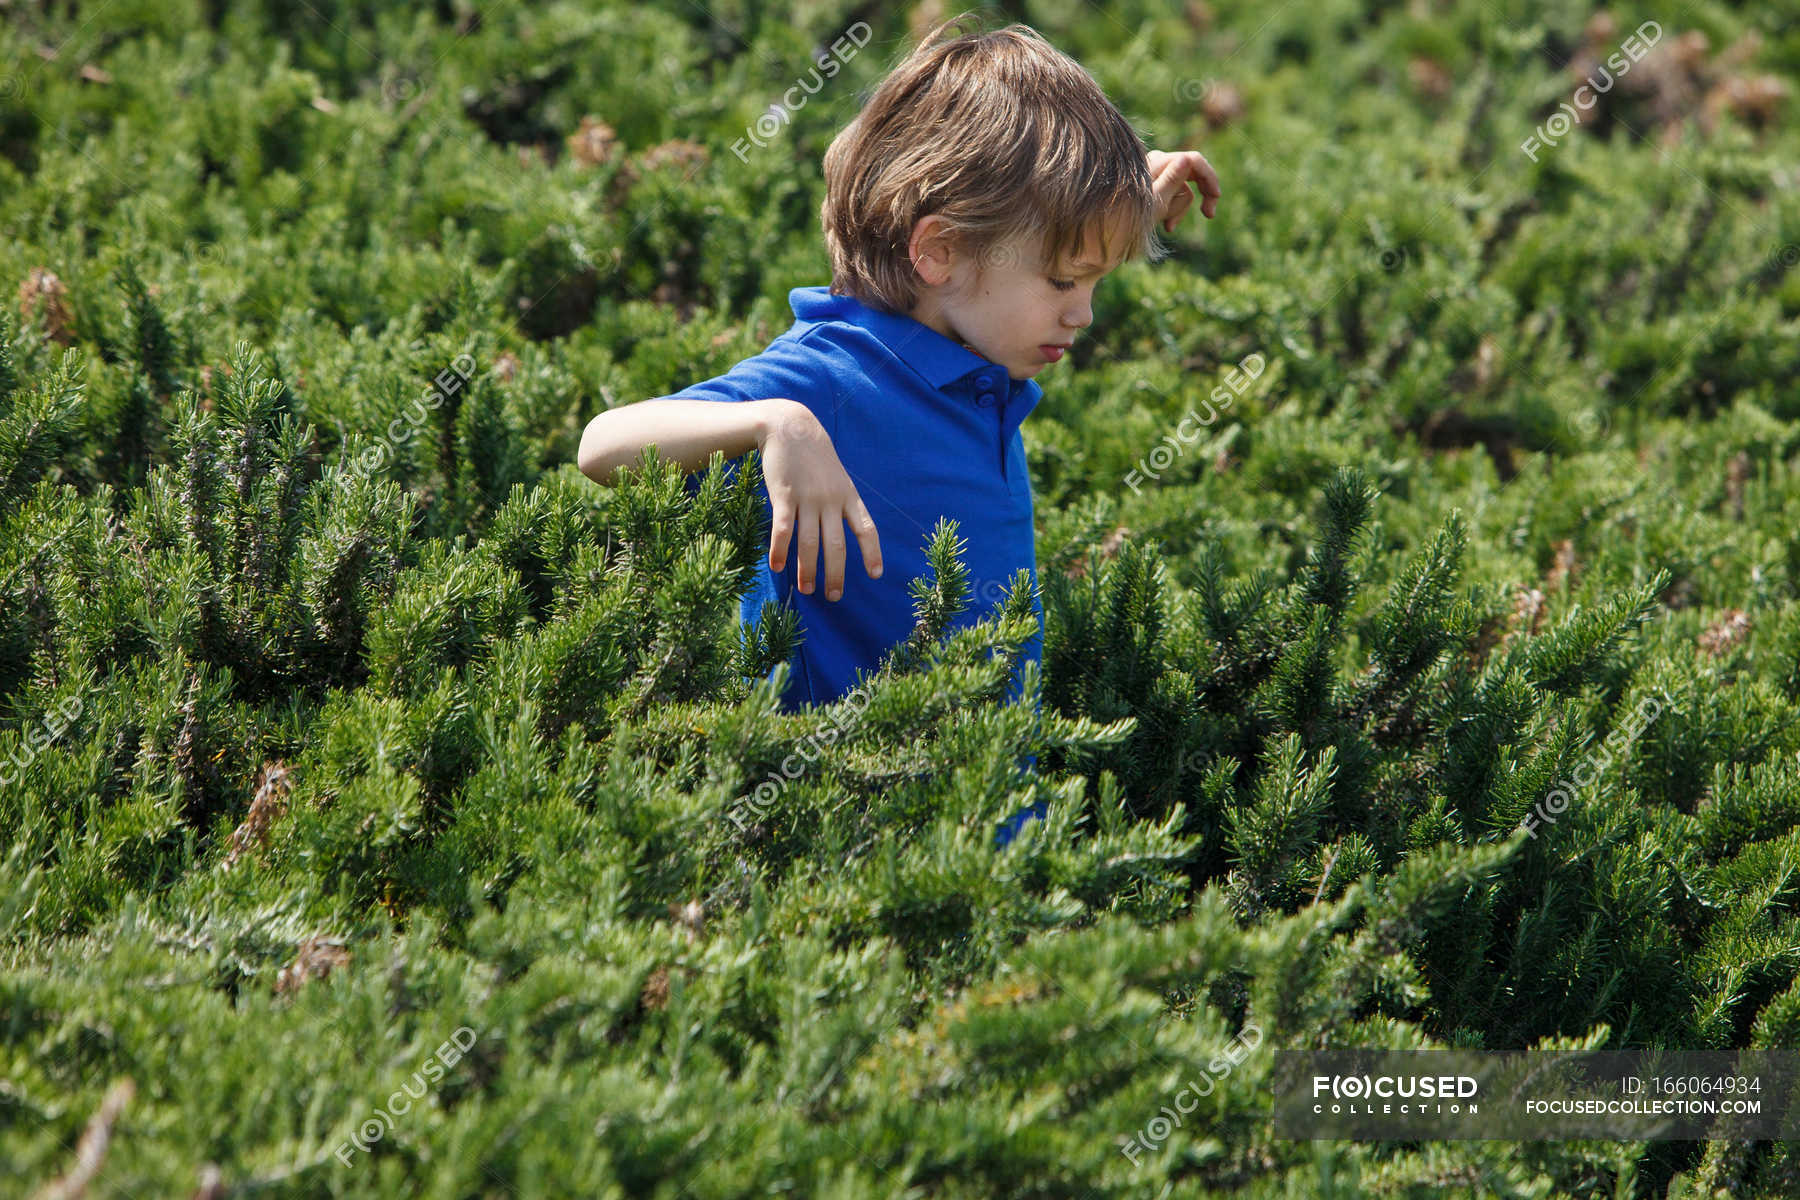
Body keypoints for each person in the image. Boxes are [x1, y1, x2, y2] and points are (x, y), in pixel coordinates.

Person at [576, 15, 1221, 848]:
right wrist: (775, 424)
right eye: (1065, 278)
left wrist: (1116, 205)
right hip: (861, 852)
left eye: (1095, 279)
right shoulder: (833, 378)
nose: (1084, 312)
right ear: (938, 251)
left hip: (991, 834)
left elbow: (1021, 265)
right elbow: (602, 443)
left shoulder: (973, 347)